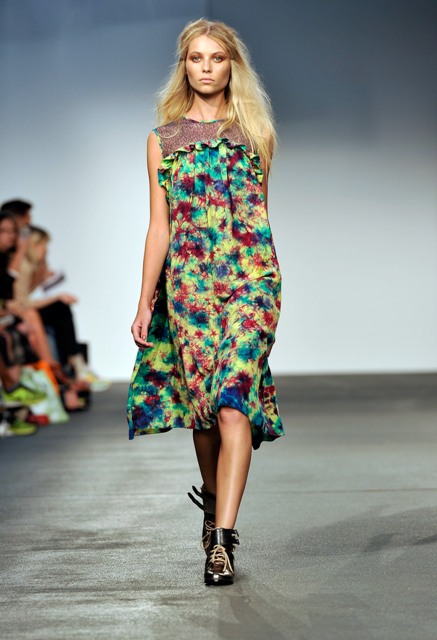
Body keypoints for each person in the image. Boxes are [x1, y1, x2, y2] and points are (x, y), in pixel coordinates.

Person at [127, 18, 283, 586]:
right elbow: (159, 226)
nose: (207, 67)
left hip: (251, 282)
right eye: (197, 58)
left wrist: (256, 275)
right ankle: (214, 502)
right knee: (206, 412)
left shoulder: (255, 133)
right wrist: (145, 301)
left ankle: (221, 540)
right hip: (189, 289)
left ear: (232, 65)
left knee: (234, 401)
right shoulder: (163, 140)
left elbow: (256, 217)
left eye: (217, 58)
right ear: (185, 66)